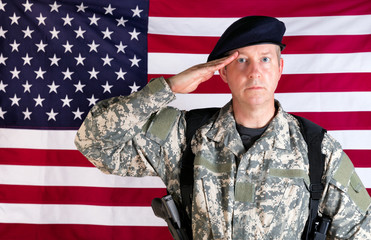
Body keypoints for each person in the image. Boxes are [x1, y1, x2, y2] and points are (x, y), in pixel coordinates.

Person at [75, 16, 371, 239]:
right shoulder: (184, 136)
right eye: (241, 60)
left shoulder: (316, 148)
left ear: (280, 69)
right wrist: (168, 87)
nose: (255, 71)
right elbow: (95, 142)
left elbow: (361, 229)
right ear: (223, 73)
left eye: (265, 59)